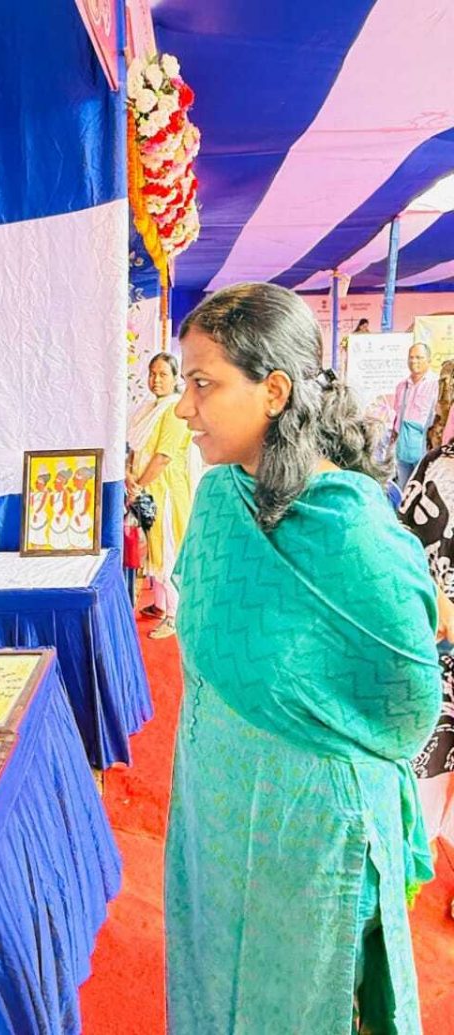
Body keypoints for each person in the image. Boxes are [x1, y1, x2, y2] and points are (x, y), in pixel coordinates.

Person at [167, 282, 440, 1034]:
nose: (184, 406)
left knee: (303, 1002)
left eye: (203, 383)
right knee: (215, 979)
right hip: (217, 805)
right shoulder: (220, 499)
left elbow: (410, 701)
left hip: (312, 833)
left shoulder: (355, 530)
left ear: (275, 391)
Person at [398, 446, 454, 895]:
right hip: (433, 655)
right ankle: (408, 876)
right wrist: (435, 598)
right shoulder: (439, 467)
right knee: (421, 781)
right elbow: (399, 548)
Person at [126, 353, 196, 640]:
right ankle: (160, 605)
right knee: (153, 549)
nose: (156, 379)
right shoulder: (148, 409)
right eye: (152, 373)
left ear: (176, 378)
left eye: (163, 374)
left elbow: (163, 457)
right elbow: (136, 450)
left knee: (167, 551)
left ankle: (174, 616)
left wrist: (138, 485)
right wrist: (129, 475)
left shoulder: (175, 410)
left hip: (165, 493)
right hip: (145, 491)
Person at [390, 342, 438, 490]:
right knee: (402, 490)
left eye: (418, 357)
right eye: (411, 357)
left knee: (421, 490)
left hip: (424, 447)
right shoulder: (401, 386)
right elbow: (396, 417)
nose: (413, 361)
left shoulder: (436, 385)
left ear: (428, 360)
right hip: (403, 447)